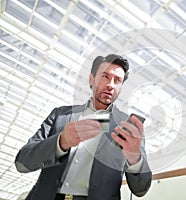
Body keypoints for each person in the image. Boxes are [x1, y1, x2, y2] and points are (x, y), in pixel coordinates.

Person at [15, 54, 152, 200]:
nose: (111, 85)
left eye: (117, 80)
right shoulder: (60, 115)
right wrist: (61, 142)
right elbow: (22, 163)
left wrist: (134, 158)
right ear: (91, 79)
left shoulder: (129, 128)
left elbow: (140, 189)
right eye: (105, 76)